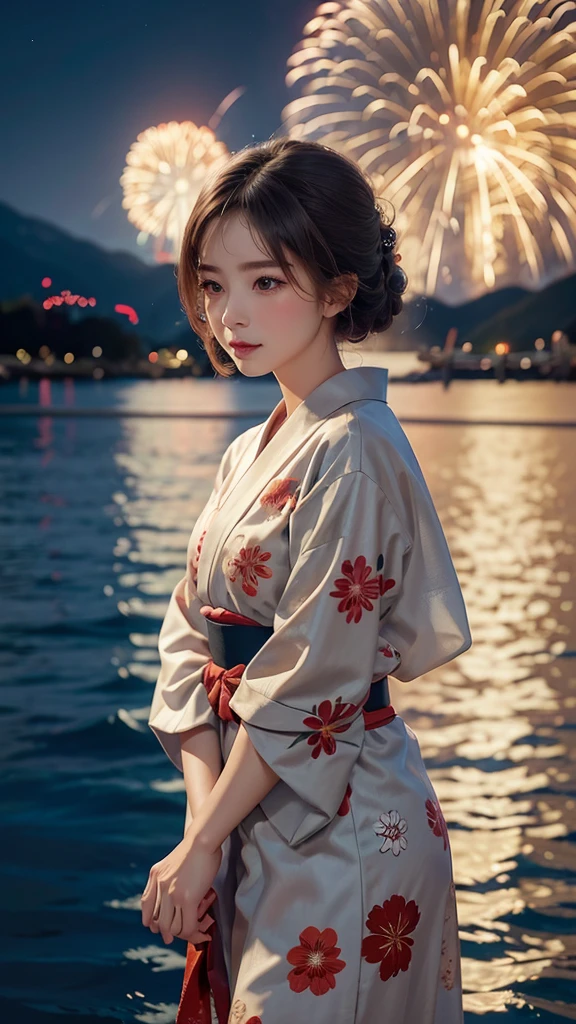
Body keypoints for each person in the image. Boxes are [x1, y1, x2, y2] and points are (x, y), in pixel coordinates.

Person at [141, 138, 472, 1024]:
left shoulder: (355, 448)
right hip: (256, 815)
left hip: (346, 830)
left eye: (266, 281)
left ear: (337, 290)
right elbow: (191, 633)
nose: (228, 315)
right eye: (212, 285)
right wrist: (201, 830)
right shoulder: (258, 446)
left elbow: (313, 672)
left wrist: (204, 842)